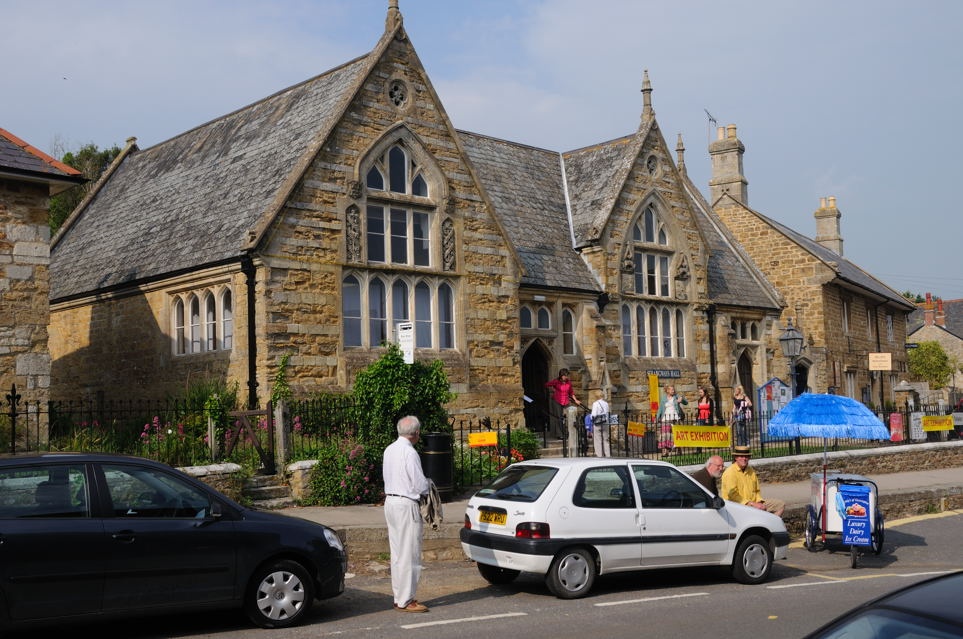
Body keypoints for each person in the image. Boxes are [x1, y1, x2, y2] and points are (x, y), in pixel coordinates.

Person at [382, 415, 431, 613]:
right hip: (406, 503)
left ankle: (399, 596)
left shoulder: (389, 449)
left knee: (397, 552)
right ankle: (407, 599)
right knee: (410, 553)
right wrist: (428, 487)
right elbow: (419, 484)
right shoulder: (410, 453)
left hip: (391, 501)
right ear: (416, 433)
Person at [720, 445, 785, 517]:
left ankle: (770, 523)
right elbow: (732, 495)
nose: (744, 459)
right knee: (758, 511)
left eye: (746, 456)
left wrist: (759, 501)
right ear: (736, 458)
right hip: (737, 506)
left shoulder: (750, 470)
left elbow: (757, 490)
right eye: (741, 456)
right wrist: (751, 504)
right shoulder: (730, 472)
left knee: (780, 505)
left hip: (753, 503)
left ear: (749, 458)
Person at [545, 368, 582, 457]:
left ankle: (569, 433)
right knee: (558, 417)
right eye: (565, 375)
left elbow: (571, 392)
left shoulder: (568, 383)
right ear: (561, 376)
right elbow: (547, 384)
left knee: (570, 416)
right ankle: (560, 434)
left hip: (566, 401)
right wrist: (552, 392)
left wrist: (576, 400)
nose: (566, 377)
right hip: (557, 401)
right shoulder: (556, 381)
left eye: (567, 375)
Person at [655, 385, 687, 456]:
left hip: (675, 418)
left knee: (676, 435)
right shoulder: (663, 398)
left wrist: (681, 400)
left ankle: (679, 450)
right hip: (665, 419)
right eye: (672, 390)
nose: (673, 391)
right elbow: (660, 409)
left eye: (673, 389)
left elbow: (686, 402)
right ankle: (665, 452)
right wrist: (657, 418)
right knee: (665, 436)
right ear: (667, 391)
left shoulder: (676, 397)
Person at [590, 389, 611, 457]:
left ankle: (600, 455)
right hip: (605, 423)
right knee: (606, 439)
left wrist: (590, 417)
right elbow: (607, 413)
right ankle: (608, 455)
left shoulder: (595, 404)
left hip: (597, 423)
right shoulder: (606, 403)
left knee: (598, 440)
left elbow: (594, 414)